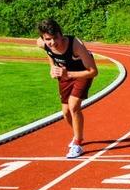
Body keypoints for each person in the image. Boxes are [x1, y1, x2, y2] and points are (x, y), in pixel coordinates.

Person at [37, 19, 98, 159]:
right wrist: (52, 67)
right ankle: (78, 135)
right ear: (42, 38)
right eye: (48, 39)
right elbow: (49, 52)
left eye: (55, 38)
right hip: (64, 74)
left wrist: (68, 74)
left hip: (82, 73)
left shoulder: (76, 45)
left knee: (74, 106)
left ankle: (77, 143)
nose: (52, 42)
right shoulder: (42, 43)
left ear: (60, 34)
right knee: (65, 112)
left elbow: (93, 71)